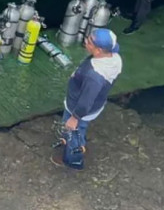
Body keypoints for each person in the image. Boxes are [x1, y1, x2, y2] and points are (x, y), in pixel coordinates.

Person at [51, 28, 122, 170]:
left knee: (74, 133)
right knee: (74, 130)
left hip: (79, 110)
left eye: (89, 41)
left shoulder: (94, 76)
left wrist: (75, 118)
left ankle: (73, 160)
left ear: (99, 50)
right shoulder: (114, 58)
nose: (86, 41)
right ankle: (70, 140)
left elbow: (86, 100)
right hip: (95, 104)